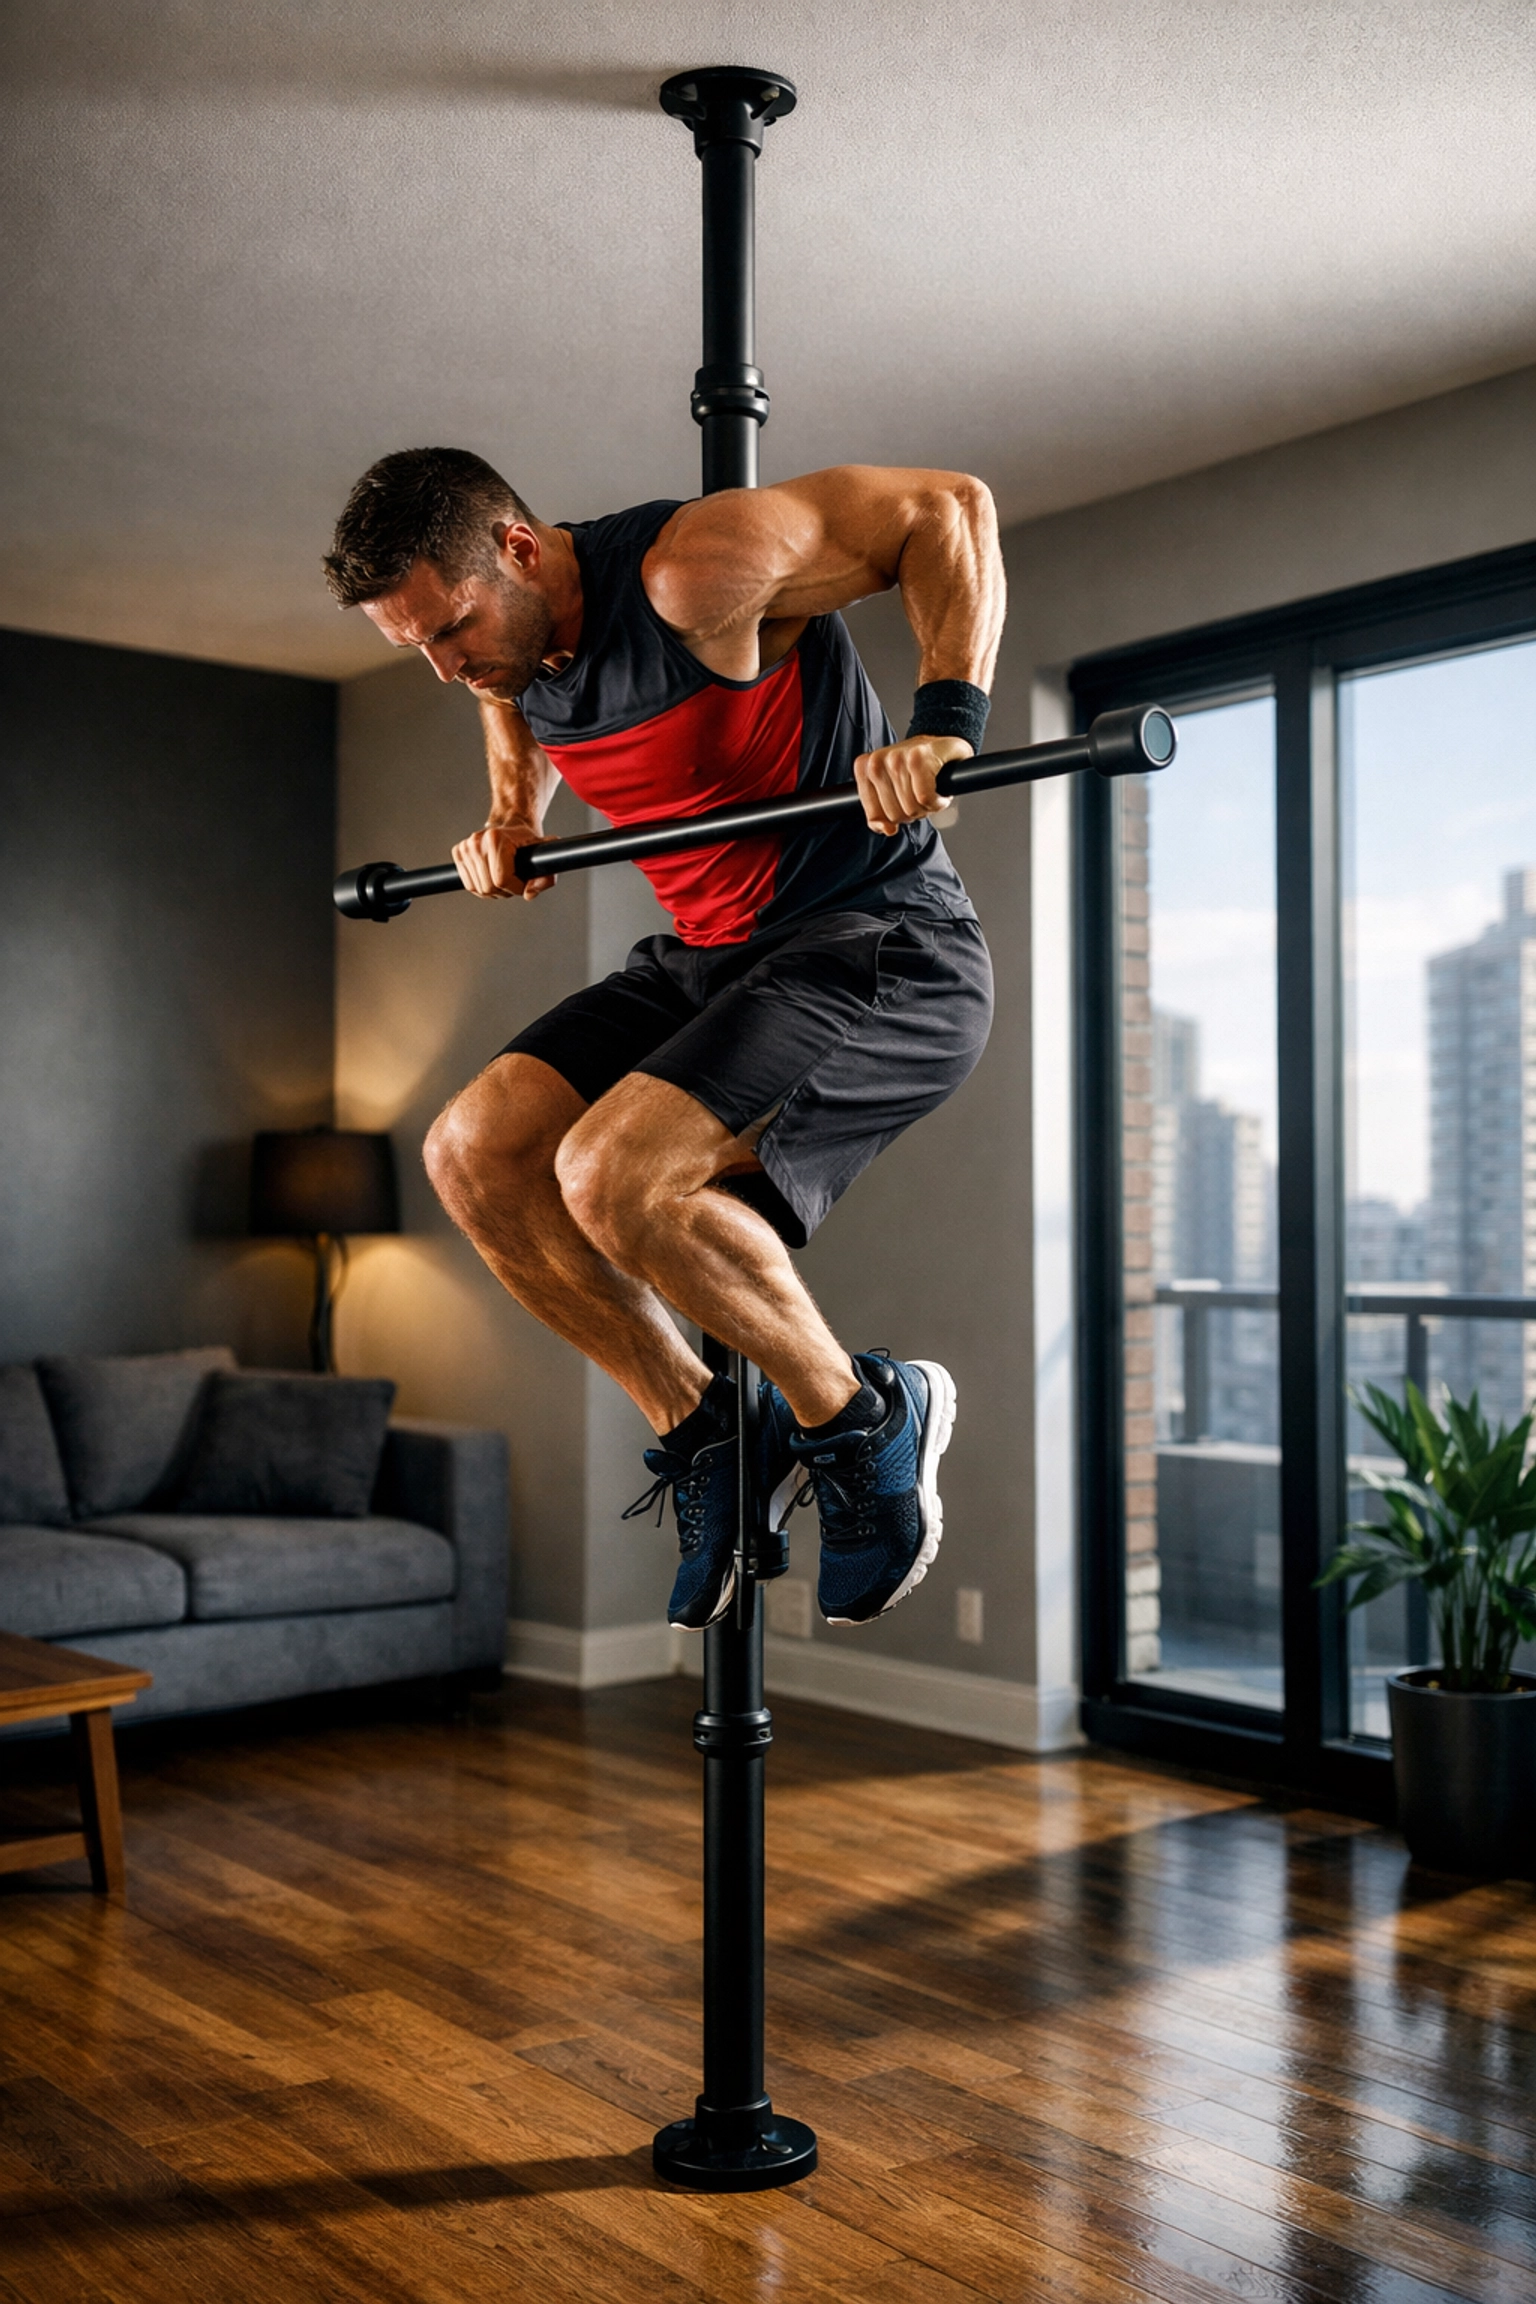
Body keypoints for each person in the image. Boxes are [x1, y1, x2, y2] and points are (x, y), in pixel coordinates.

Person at [324, 448, 1003, 1631]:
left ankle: (865, 1420)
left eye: (454, 628)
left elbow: (949, 510)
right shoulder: (511, 642)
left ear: (522, 550)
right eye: (418, 648)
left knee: (611, 1175)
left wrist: (944, 725)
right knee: (471, 1152)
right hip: (707, 956)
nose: (447, 669)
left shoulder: (694, 572)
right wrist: (509, 815)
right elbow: (508, 689)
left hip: (872, 935)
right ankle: (710, 1436)